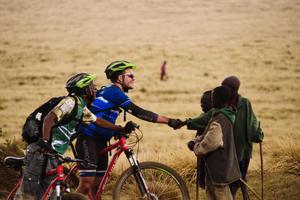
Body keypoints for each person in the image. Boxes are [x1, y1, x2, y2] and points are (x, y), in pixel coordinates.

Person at [75, 60, 182, 199]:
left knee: (97, 187)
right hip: (88, 139)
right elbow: (139, 112)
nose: (134, 78)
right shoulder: (114, 92)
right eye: (130, 75)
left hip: (100, 141)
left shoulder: (111, 91)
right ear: (120, 78)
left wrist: (116, 130)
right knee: (87, 185)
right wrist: (169, 121)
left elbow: (101, 114)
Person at [16, 73, 129, 199]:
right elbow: (49, 119)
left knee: (49, 193)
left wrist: (119, 128)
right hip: (41, 151)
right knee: (28, 193)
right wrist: (46, 142)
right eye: (91, 85)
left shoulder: (81, 107)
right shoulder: (70, 102)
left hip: (53, 154)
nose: (95, 88)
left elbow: (97, 121)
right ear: (85, 89)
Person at [187, 86, 241, 200]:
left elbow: (210, 143)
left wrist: (196, 147)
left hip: (219, 168)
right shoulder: (221, 115)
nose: (211, 101)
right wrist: (196, 140)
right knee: (213, 194)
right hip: (217, 168)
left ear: (220, 100)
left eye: (213, 98)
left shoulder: (220, 119)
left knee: (221, 196)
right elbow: (208, 134)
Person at [221, 76, 264, 200]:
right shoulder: (223, 103)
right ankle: (245, 197)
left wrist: (258, 135)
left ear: (233, 90)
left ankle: (239, 197)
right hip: (228, 149)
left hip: (242, 149)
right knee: (236, 178)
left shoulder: (245, 103)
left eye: (224, 87)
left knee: (237, 179)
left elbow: (251, 123)